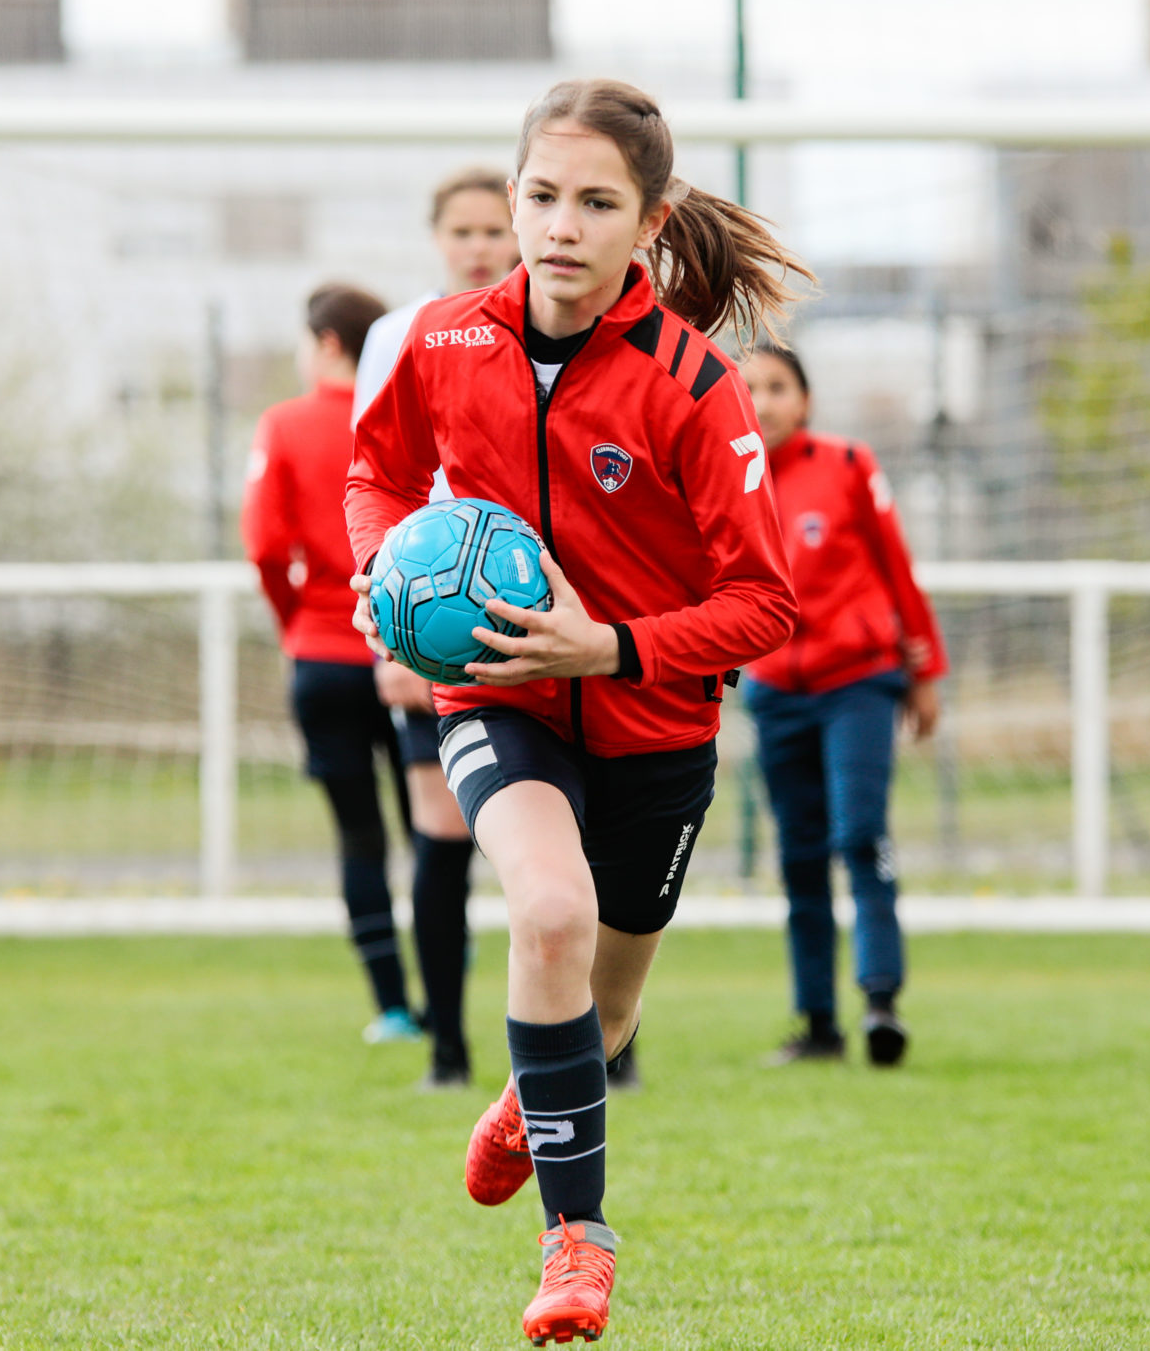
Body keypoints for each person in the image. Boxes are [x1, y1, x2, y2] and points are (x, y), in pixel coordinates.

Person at [346, 78, 808, 1346]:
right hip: (499, 699)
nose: (560, 225)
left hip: (657, 723)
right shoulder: (443, 341)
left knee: (603, 1017)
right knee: (545, 913)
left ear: (646, 223)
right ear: (511, 200)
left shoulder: (696, 385)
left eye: (596, 203)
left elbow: (766, 604)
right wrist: (381, 567)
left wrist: (610, 644)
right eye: (541, 197)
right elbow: (375, 475)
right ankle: (577, 1242)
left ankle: (523, 1097)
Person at [353, 166, 523, 1090]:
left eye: (496, 228)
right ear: (437, 238)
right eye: (462, 231)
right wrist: (388, 635)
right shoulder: (399, 337)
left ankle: (608, 1041)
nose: (481, 246)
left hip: (533, 613)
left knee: (565, 841)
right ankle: (451, 1051)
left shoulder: (547, 328)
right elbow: (377, 481)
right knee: (440, 835)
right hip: (429, 624)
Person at [737, 343, 947, 1069]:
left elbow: (898, 569)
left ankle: (881, 1001)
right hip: (774, 694)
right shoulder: (724, 479)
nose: (760, 401)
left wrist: (926, 671)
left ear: (806, 400)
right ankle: (819, 1023)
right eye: (747, 388)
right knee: (798, 858)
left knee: (859, 836)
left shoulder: (850, 467)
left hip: (858, 682)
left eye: (776, 386)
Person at [243, 283, 428, 1047]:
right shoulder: (409, 420)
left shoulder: (285, 423)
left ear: (325, 343)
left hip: (324, 655)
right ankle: (451, 973)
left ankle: (393, 1006)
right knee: (438, 830)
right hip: (416, 655)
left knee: (360, 838)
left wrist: (296, 626)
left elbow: (262, 545)